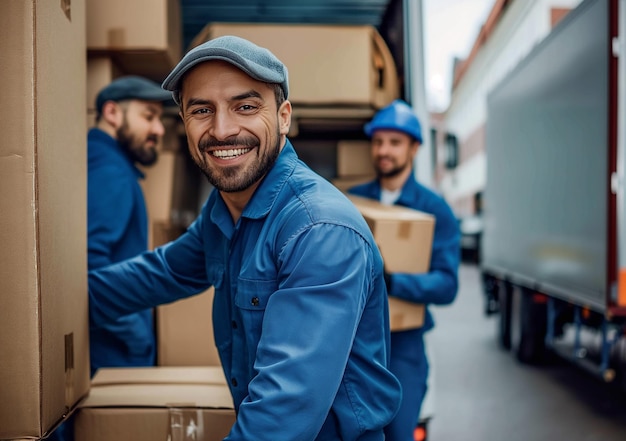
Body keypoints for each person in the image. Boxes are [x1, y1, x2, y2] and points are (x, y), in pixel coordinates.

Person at [87, 36, 402, 440]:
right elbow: (160, 273)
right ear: (184, 124)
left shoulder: (318, 231)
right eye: (202, 110)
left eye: (246, 107)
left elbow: (282, 413)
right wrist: (45, 312)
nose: (222, 130)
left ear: (284, 116)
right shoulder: (225, 211)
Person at [348, 99, 460, 441]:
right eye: (378, 141)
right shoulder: (352, 202)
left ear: (414, 148)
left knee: (398, 433)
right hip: (353, 342)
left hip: (404, 348)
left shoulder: (435, 211)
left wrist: (393, 281)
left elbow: (446, 285)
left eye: (395, 143)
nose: (384, 150)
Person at [88, 75, 173, 376]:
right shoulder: (110, 172)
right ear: (112, 113)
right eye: (148, 116)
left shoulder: (104, 164)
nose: (158, 129)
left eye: (159, 119)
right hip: (111, 356)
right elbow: (88, 264)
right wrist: (136, 341)